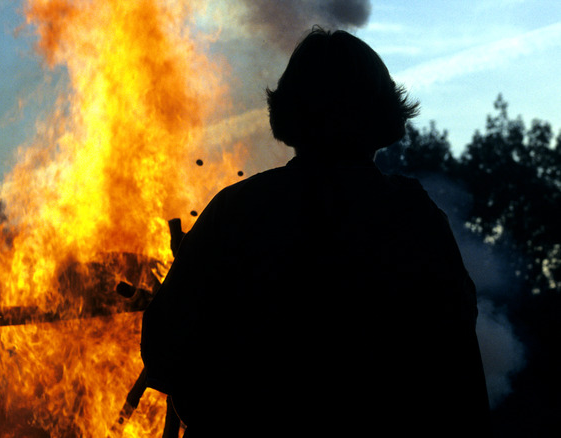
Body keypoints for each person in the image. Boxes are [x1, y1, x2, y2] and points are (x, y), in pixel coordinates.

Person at [140, 28, 491, 437]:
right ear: (382, 116)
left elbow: (165, 352)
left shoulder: (238, 210)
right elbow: (458, 368)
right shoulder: (413, 217)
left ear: (291, 113)